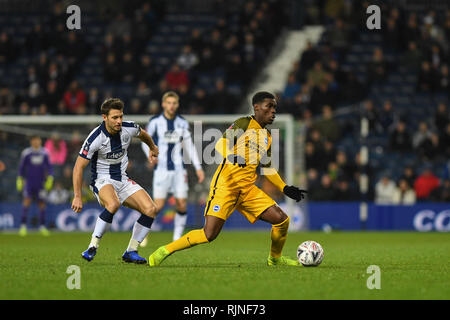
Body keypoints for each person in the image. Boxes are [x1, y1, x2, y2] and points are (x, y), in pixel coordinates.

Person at [147, 91, 307, 267]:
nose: (273, 111)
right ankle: (165, 250)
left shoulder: (267, 137)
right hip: (226, 186)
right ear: (256, 107)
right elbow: (221, 144)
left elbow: (268, 170)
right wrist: (232, 157)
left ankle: (275, 259)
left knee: (282, 219)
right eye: (269, 106)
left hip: (247, 190)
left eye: (275, 107)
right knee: (209, 234)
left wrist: (285, 188)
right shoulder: (244, 123)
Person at [71, 98, 159, 264]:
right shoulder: (95, 138)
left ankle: (131, 251)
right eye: (114, 118)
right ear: (104, 117)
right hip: (102, 180)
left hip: (122, 179)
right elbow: (78, 167)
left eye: (120, 117)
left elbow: (143, 134)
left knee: (151, 209)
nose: (119, 121)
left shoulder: (129, 127)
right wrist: (77, 195)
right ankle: (92, 246)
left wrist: (152, 147)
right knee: (113, 204)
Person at [141, 91, 204, 244]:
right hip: (161, 170)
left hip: (178, 170)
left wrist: (198, 167)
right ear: (163, 104)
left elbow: (189, 146)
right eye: (168, 103)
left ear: (177, 105)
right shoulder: (155, 122)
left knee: (181, 203)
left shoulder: (182, 123)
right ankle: (142, 234)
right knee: (158, 206)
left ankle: (176, 238)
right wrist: (150, 154)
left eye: (174, 103)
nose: (171, 106)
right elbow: (145, 140)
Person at [16, 135, 54, 236]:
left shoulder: (45, 152)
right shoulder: (26, 153)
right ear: (31, 142)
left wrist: (50, 177)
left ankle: (42, 226)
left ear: (40, 141)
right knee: (26, 201)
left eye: (38, 140)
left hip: (41, 183)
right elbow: (21, 167)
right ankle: (23, 226)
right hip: (29, 182)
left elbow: (49, 167)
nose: (37, 142)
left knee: (41, 204)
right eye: (35, 140)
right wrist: (20, 178)